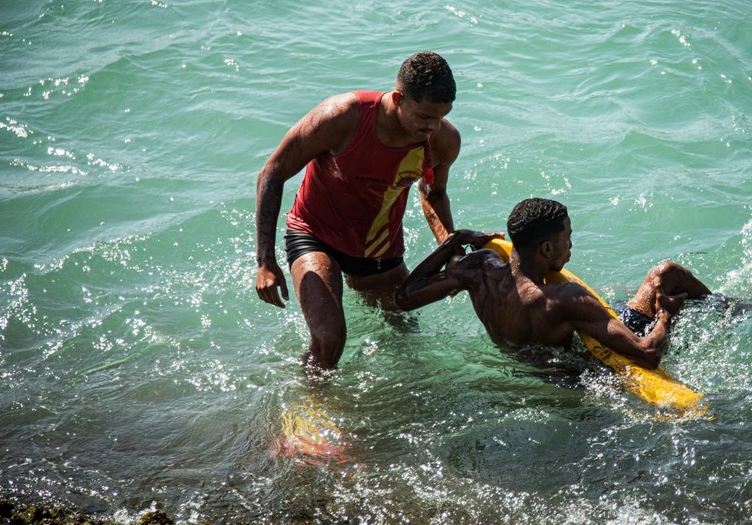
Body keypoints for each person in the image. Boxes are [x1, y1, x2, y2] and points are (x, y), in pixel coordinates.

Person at [255, 52, 461, 370]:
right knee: (329, 337)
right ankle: (310, 406)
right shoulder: (341, 117)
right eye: (424, 117)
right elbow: (273, 172)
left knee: (405, 336)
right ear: (397, 98)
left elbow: (434, 194)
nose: (433, 126)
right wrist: (266, 261)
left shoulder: (443, 141)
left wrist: (450, 251)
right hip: (315, 234)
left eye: (441, 116)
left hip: (379, 248)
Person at [395, 198, 712, 370]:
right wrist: (668, 315)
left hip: (529, 366)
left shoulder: (477, 269)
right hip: (585, 372)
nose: (571, 245)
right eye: (568, 237)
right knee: (666, 274)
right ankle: (735, 306)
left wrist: (456, 241)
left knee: (621, 295)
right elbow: (647, 353)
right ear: (547, 249)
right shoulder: (564, 298)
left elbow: (406, 296)